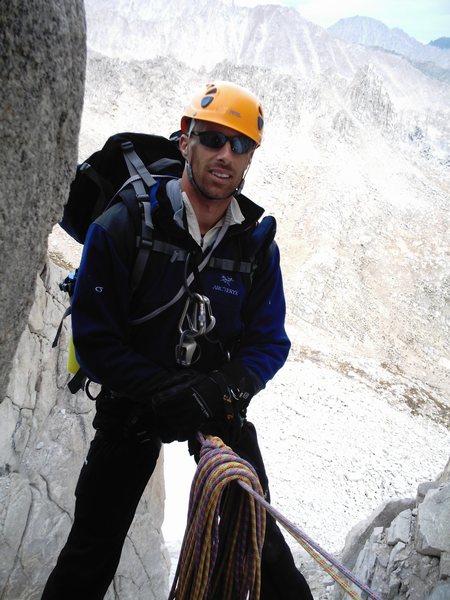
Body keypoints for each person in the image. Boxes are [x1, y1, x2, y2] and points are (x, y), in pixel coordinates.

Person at [41, 81, 313, 599]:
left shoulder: (253, 244)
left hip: (215, 403)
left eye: (241, 145)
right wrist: (168, 392)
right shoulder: (122, 225)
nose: (225, 155)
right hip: (134, 406)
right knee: (90, 555)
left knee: (269, 553)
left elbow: (269, 343)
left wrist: (211, 394)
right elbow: (96, 341)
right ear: (185, 139)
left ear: (252, 158)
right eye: (213, 138)